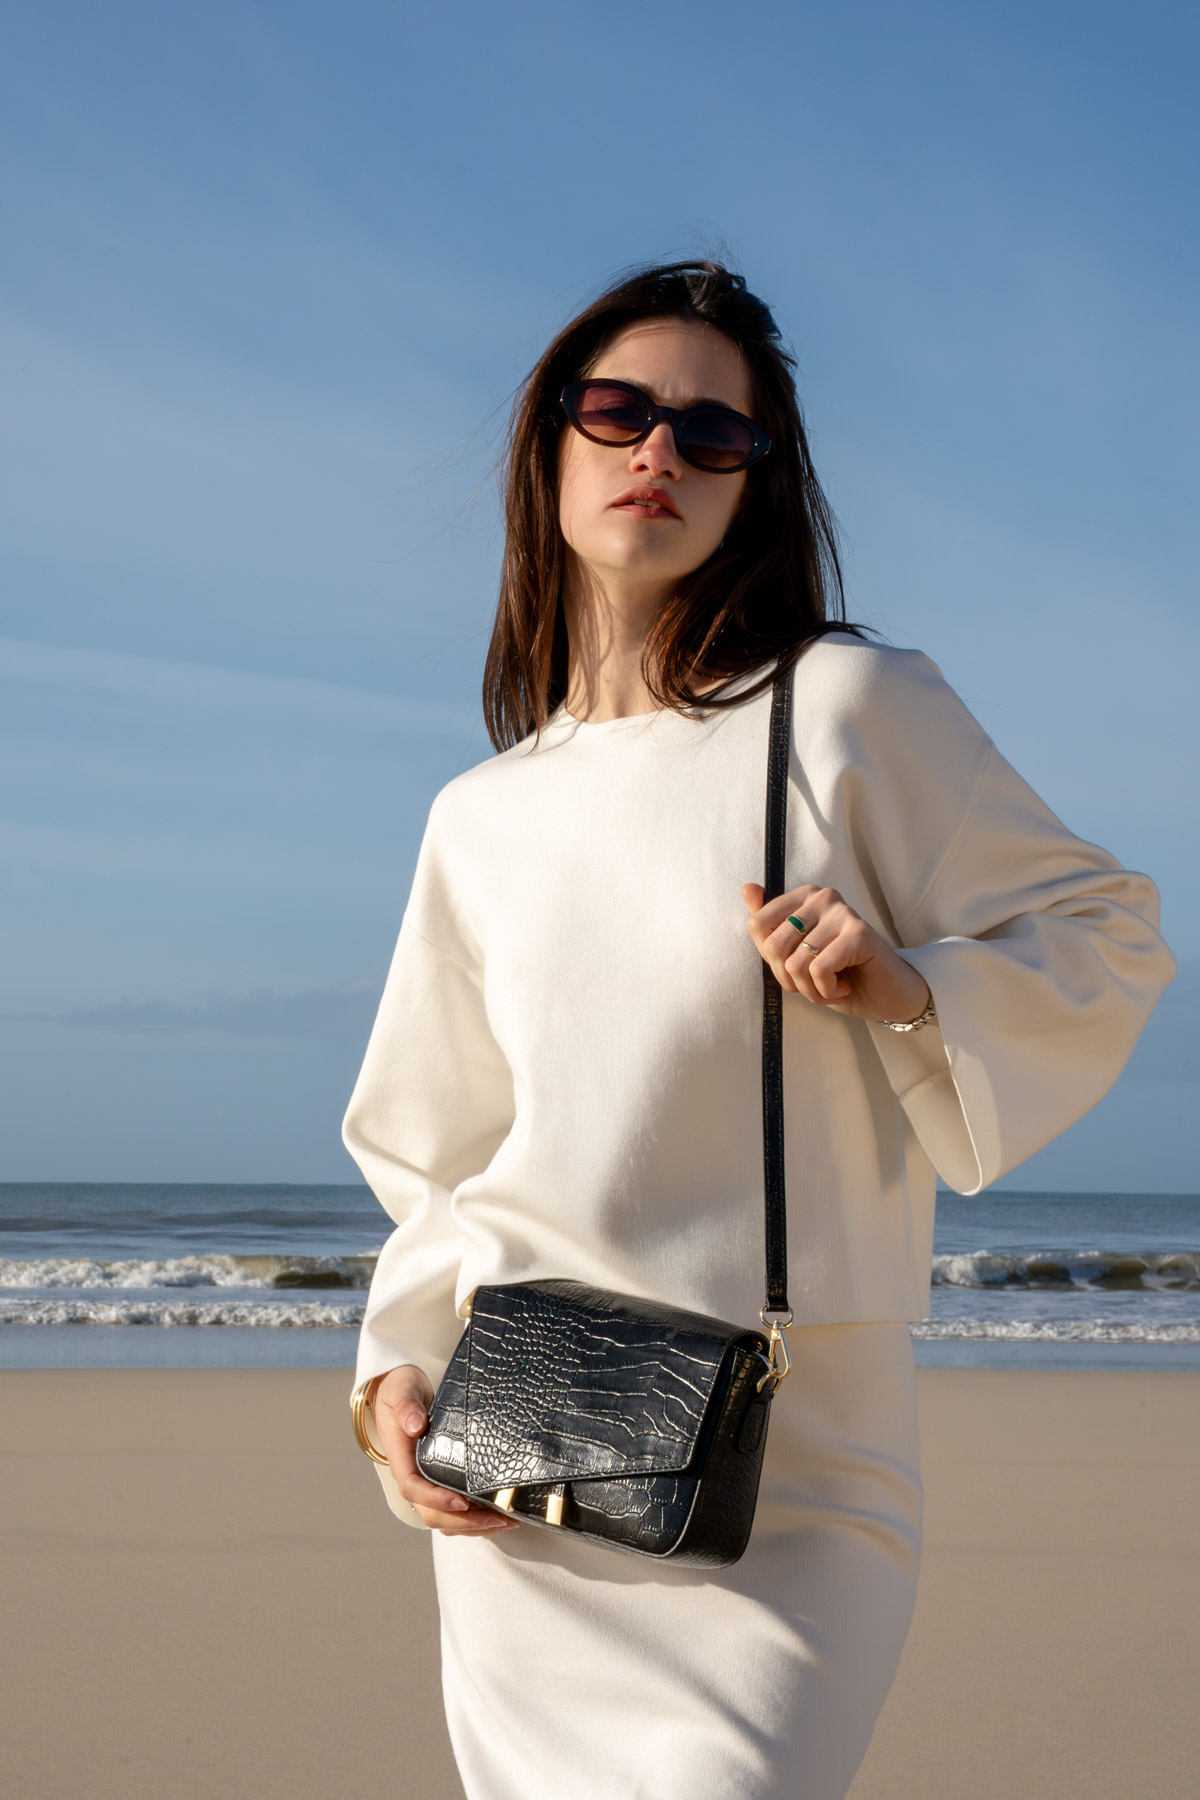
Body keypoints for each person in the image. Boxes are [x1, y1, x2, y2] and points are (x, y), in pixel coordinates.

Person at [342, 260, 1174, 1800]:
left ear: (754, 486)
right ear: (549, 444)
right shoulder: (480, 816)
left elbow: (1106, 929)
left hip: (796, 1474)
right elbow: (438, 1156)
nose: (660, 450)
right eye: (618, 411)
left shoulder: (846, 709)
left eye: (712, 433)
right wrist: (391, 1376)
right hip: (530, 1464)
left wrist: (905, 987)